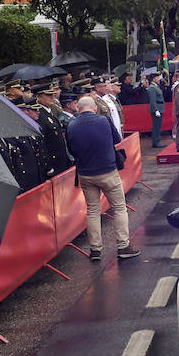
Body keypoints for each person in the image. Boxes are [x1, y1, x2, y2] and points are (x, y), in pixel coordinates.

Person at [66, 97, 140, 262]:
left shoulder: (71, 125)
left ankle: (95, 250)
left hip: (85, 173)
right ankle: (123, 246)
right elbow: (117, 139)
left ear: (78, 109)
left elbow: (71, 149)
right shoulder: (103, 120)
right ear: (94, 108)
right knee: (119, 208)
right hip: (107, 171)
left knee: (93, 211)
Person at [32, 84, 71, 177]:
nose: (52, 97)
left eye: (52, 94)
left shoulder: (49, 112)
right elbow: (42, 142)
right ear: (38, 97)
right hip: (53, 161)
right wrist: (48, 166)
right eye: (48, 95)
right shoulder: (40, 115)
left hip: (61, 159)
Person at [146, 72, 166, 149]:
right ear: (154, 79)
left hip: (159, 107)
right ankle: (156, 142)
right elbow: (153, 100)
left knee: (158, 125)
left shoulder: (156, 87)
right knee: (156, 126)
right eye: (157, 78)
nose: (159, 79)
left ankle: (157, 141)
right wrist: (156, 110)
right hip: (157, 108)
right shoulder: (152, 88)